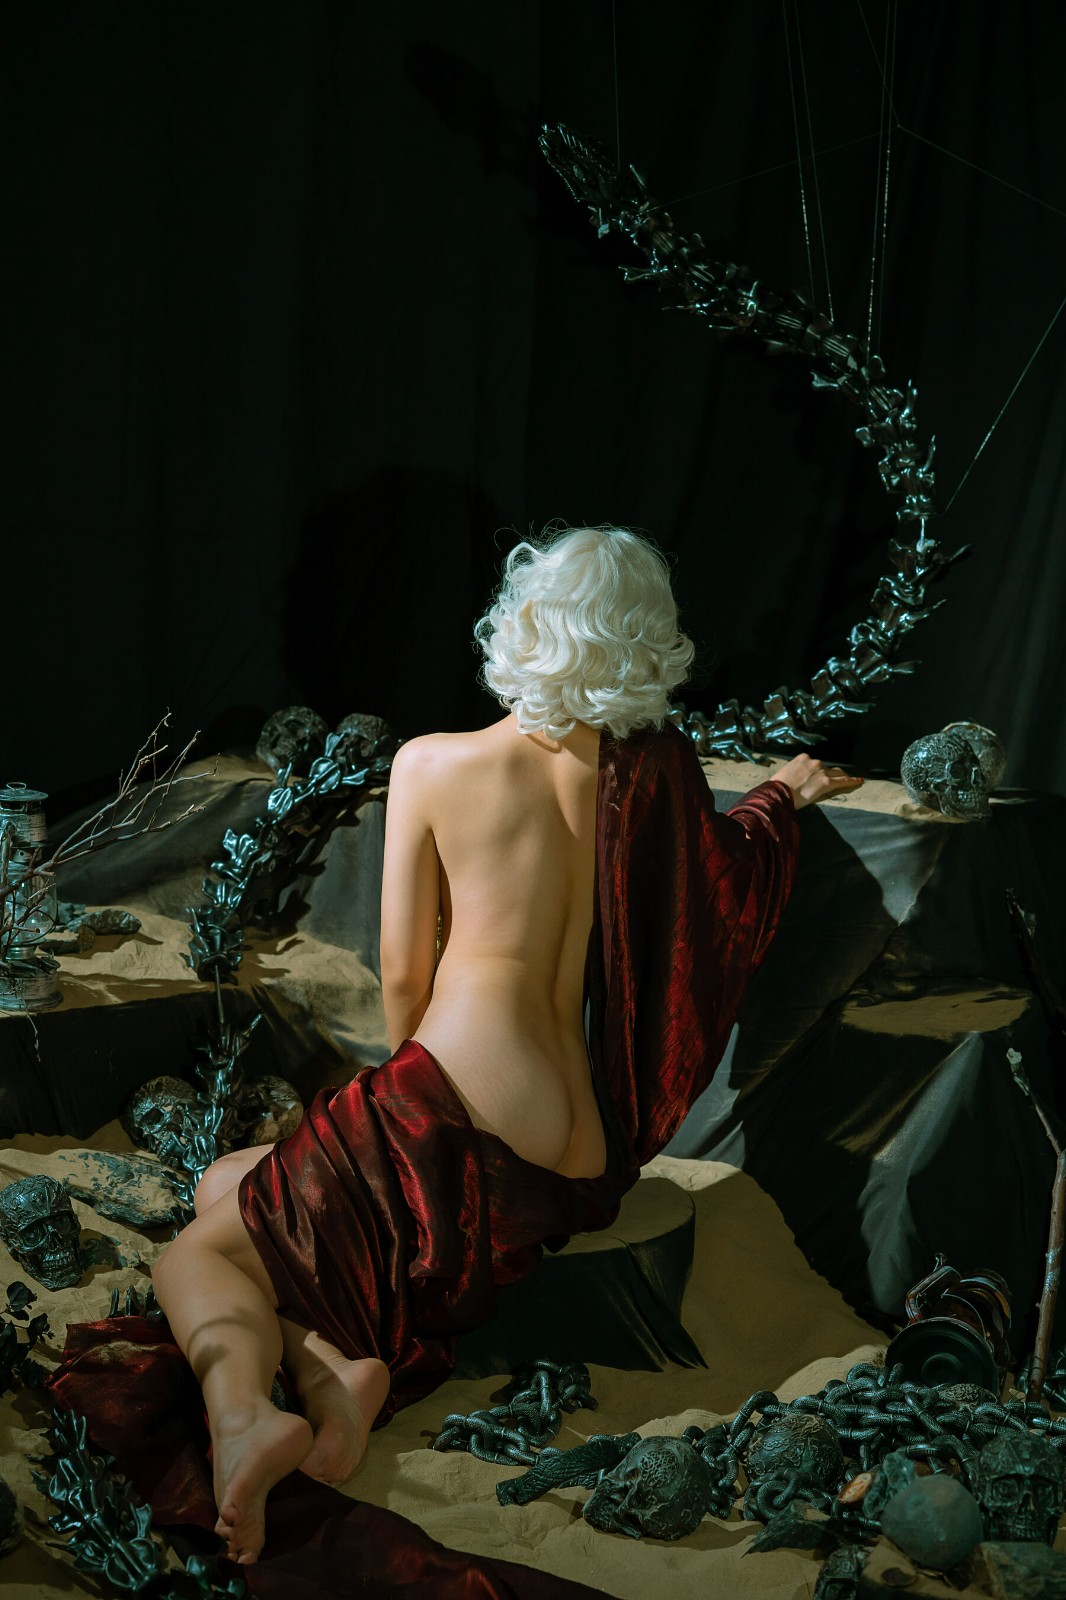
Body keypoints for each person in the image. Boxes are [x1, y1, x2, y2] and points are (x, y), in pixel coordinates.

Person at [152, 525, 863, 1564]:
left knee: (194, 1252)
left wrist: (394, 1128)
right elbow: (717, 884)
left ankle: (240, 1420)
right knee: (231, 1184)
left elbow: (404, 975)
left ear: (522, 621)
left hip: (458, 1097)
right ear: (645, 642)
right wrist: (779, 797)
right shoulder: (652, 769)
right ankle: (332, 1376)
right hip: (578, 1141)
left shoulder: (435, 763)